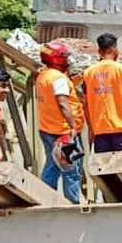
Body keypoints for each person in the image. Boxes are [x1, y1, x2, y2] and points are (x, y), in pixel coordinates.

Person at [36, 42, 84, 203]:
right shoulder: (58, 78)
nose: (67, 59)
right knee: (71, 170)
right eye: (65, 56)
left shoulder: (43, 75)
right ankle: (73, 205)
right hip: (63, 132)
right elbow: (62, 102)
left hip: (47, 129)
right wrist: (72, 126)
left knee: (52, 165)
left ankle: (45, 199)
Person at [83, 33, 122, 153]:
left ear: (99, 51)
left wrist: (91, 129)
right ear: (115, 50)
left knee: (105, 170)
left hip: (100, 132)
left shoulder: (87, 73)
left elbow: (85, 105)